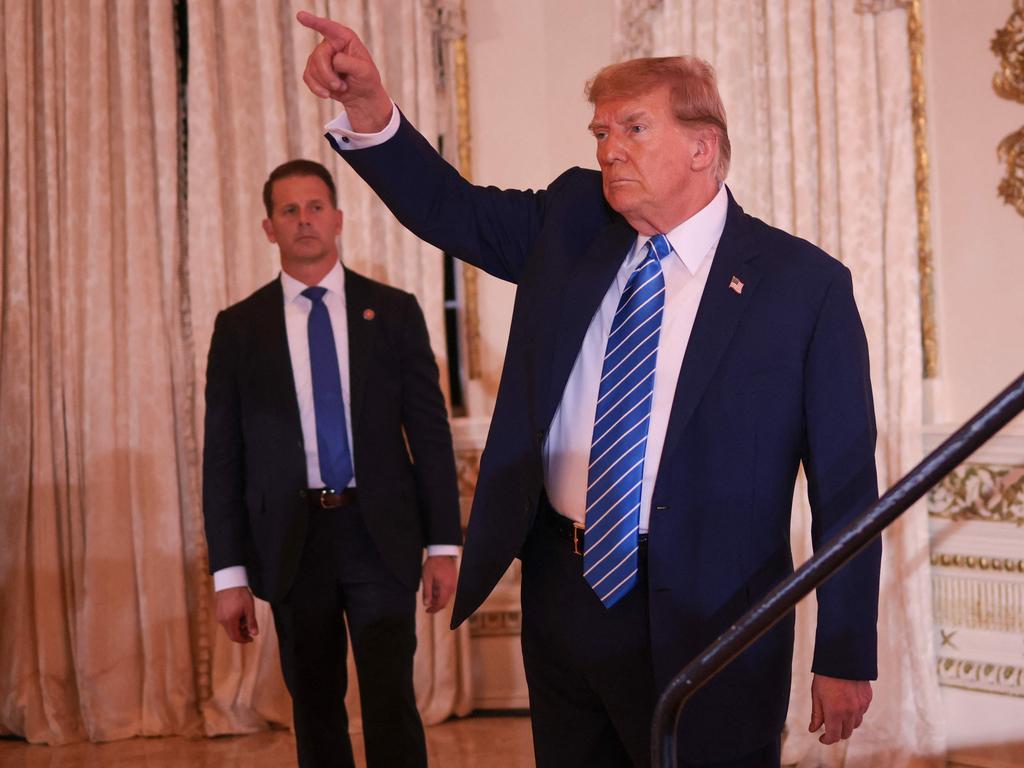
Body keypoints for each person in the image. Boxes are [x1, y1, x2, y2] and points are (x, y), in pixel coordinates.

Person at [296, 13, 882, 768]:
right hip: (564, 596)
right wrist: (373, 112)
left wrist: (844, 648)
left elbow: (847, 487)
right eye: (600, 134)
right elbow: (452, 210)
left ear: (704, 147)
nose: (608, 151)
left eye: (633, 129)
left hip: (716, 625)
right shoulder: (572, 223)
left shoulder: (804, 288)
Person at [201, 158, 462, 768]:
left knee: (391, 699)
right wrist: (228, 575)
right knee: (315, 706)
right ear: (269, 227)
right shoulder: (239, 329)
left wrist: (444, 544)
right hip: (293, 542)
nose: (304, 220)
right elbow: (223, 457)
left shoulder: (394, 312)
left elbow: (429, 433)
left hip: (380, 535)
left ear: (339, 218)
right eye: (288, 210)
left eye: (315, 206)